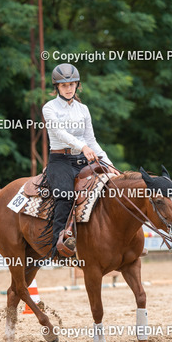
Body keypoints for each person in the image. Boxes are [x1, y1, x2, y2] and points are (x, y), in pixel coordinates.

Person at [41, 63, 112, 256]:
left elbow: (91, 141)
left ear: (77, 85)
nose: (69, 88)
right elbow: (59, 133)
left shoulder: (83, 109)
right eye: (64, 85)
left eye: (72, 84)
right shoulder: (49, 108)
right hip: (60, 160)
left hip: (82, 159)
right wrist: (83, 147)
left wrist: (109, 164)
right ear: (57, 87)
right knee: (65, 196)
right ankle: (58, 247)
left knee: (110, 187)